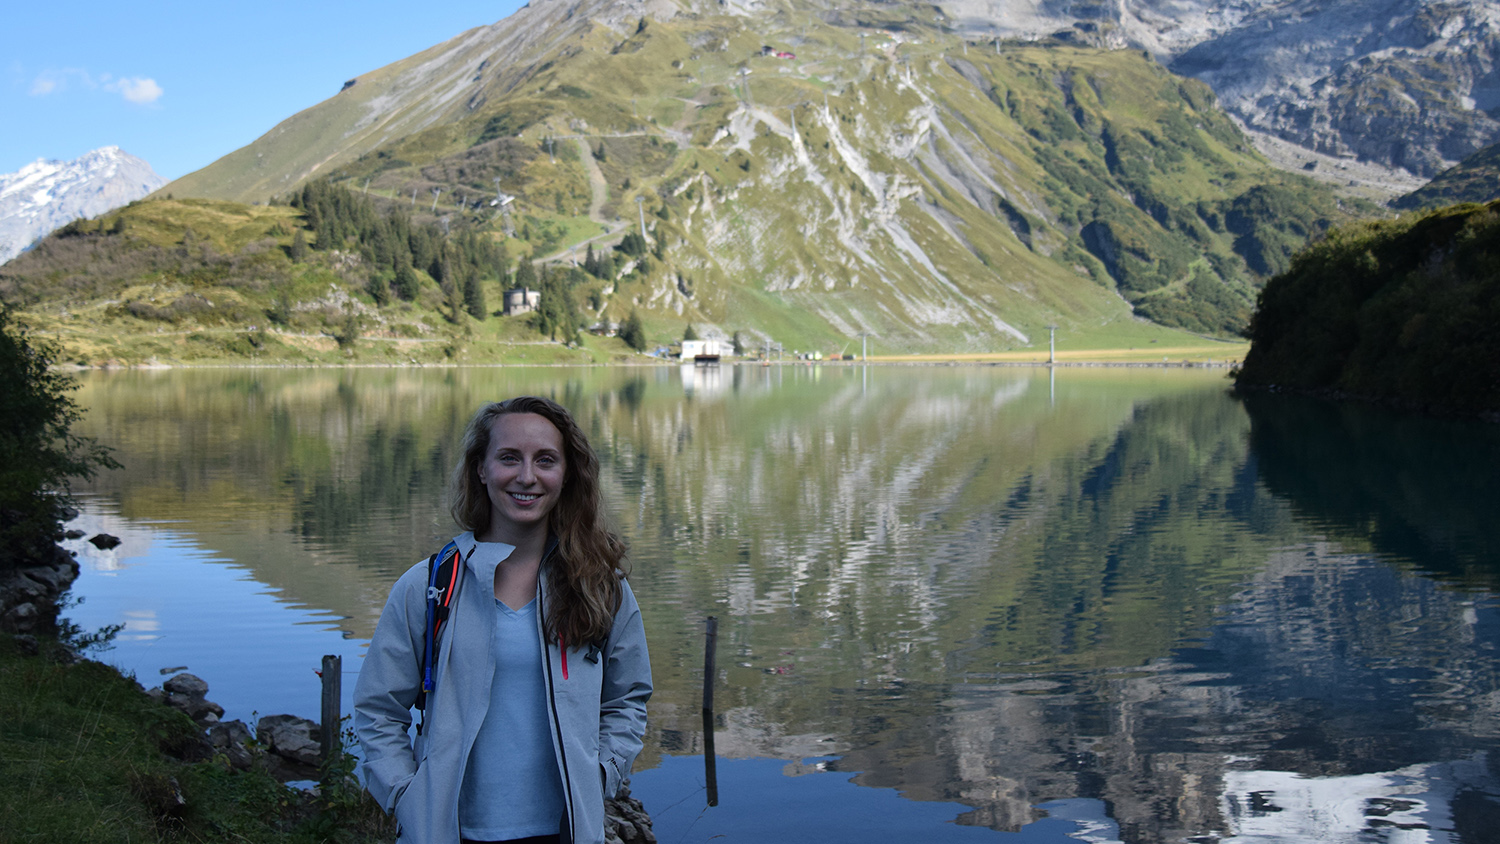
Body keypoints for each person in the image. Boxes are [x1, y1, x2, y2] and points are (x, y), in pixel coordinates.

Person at [354, 396, 652, 844]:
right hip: (450, 833)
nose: (527, 477)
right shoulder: (430, 586)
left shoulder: (599, 586)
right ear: (481, 468)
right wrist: (405, 794)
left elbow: (627, 698)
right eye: (509, 458)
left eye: (545, 460)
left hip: (566, 832)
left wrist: (602, 774)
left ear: (567, 474)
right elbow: (378, 709)